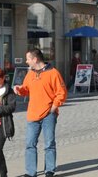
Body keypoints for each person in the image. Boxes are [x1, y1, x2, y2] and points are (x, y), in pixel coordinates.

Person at [13, 49, 67, 177]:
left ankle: (49, 170)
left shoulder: (53, 73)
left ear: (35, 59)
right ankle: (31, 172)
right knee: (30, 144)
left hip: (49, 114)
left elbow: (62, 93)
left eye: (28, 59)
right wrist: (19, 89)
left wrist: (53, 109)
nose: (26, 61)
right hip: (33, 114)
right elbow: (26, 89)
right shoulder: (30, 74)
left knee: (49, 144)